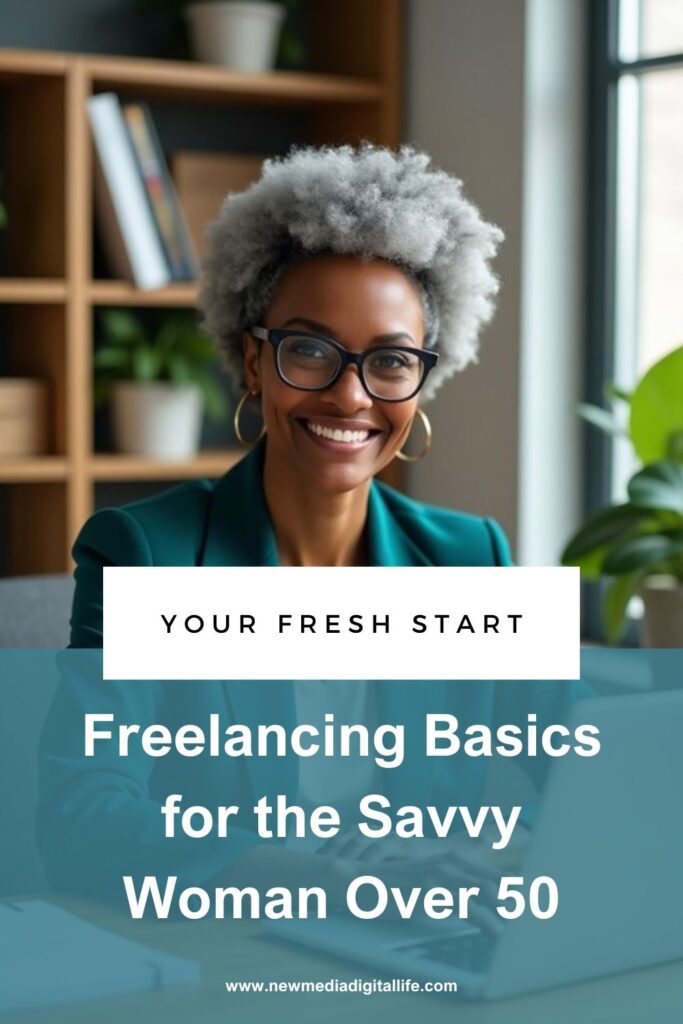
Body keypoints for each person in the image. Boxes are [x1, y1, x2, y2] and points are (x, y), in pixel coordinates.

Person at [38, 144, 585, 915]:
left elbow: (591, 777)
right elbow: (82, 822)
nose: (349, 396)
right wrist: (292, 876)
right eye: (308, 350)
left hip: (421, 947)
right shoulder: (147, 556)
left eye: (390, 361)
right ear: (253, 363)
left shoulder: (470, 561)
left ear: (424, 380)